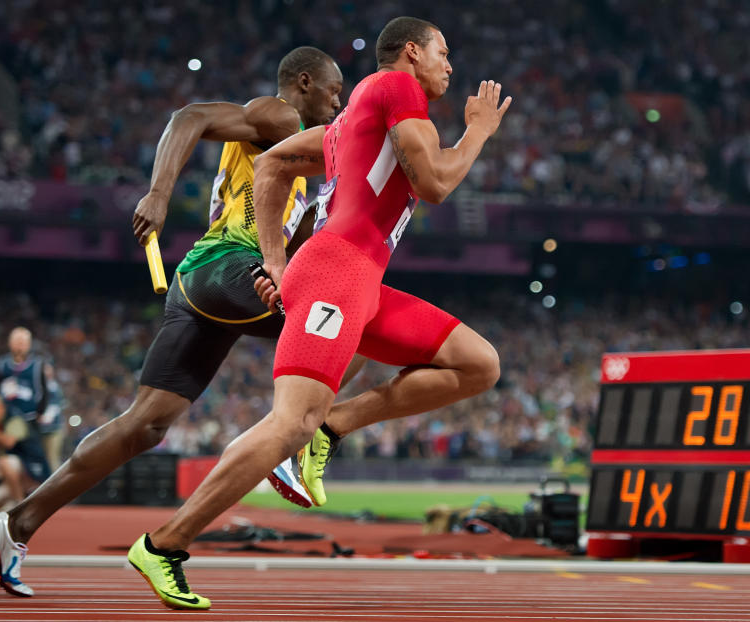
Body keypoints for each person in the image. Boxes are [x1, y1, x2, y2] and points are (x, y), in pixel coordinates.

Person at [127, 16, 511, 610]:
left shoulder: (349, 127)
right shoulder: (394, 88)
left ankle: (334, 427)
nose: (450, 65)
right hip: (338, 271)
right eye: (443, 52)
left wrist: (279, 264)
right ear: (411, 52)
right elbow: (434, 185)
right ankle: (164, 544)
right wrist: (478, 132)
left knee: (478, 365)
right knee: (289, 424)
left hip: (359, 279)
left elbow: (272, 164)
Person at [0, 46, 350, 600]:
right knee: (354, 317)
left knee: (145, 425)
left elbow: (291, 245)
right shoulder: (281, 115)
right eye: (334, 91)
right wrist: (158, 193)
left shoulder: (301, 165)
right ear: (304, 83)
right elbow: (190, 116)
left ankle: (17, 523)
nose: (338, 102)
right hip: (227, 267)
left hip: (203, 286)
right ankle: (303, 439)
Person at [0, 391, 49, 518]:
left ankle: (20, 505)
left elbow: (9, 442)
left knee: (5, 461)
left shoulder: (14, 417)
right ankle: (13, 503)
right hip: (10, 480)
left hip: (31, 473)